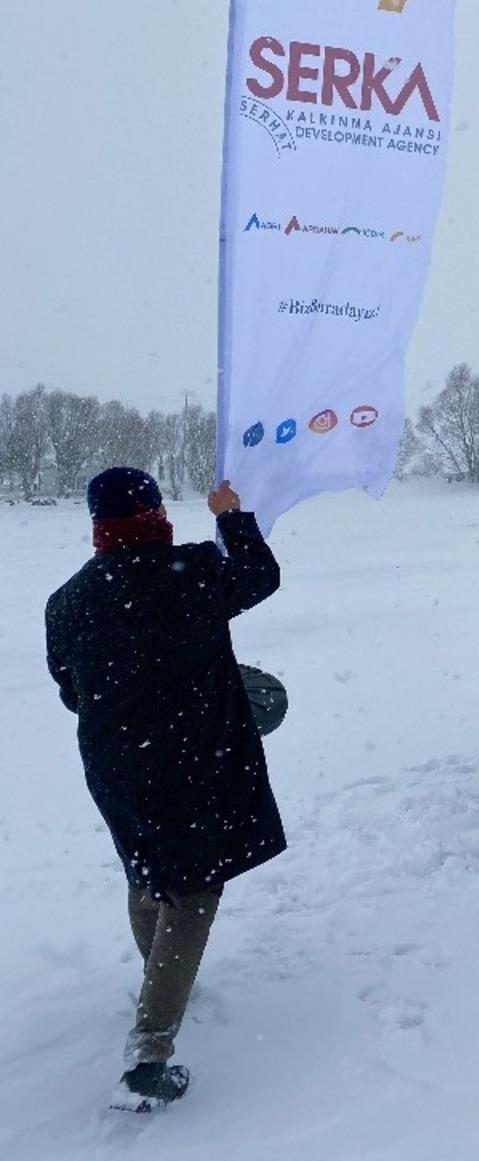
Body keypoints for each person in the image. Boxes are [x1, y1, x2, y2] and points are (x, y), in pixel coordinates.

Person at [45, 468, 286, 1112]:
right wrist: (233, 515)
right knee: (192, 890)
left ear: (97, 523)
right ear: (155, 513)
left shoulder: (68, 598)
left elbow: (71, 690)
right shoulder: (194, 571)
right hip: (189, 758)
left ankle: (159, 980)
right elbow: (262, 576)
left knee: (145, 869)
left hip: (113, 765)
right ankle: (148, 1057)